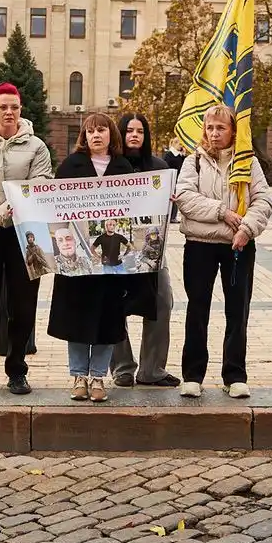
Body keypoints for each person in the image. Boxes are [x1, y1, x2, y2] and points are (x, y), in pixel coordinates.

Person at [175, 103, 272, 399]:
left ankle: (235, 375)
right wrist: (222, 212)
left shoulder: (248, 162)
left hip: (238, 246)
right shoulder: (193, 161)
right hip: (200, 246)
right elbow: (184, 198)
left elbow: (263, 201)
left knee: (237, 310)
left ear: (233, 130)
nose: (214, 133)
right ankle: (192, 375)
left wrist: (246, 229)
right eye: (210, 127)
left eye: (221, 127)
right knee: (197, 310)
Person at [0, 84, 54, 396]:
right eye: (3, 107)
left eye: (14, 107)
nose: (9, 112)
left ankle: (17, 370)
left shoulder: (37, 147)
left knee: (23, 304)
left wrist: (0, 215)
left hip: (26, 233)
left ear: (21, 110)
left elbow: (39, 187)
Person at [48, 113, 141, 403]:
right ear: (84, 136)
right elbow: (52, 204)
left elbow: (137, 207)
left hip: (110, 263)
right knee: (76, 316)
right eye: (90, 131)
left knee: (107, 317)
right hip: (76, 259)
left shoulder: (123, 167)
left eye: (101, 130)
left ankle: (99, 376)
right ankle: (78, 375)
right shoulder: (70, 166)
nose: (96, 135)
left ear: (111, 135)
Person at [111, 112, 180, 389]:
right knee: (114, 307)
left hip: (152, 253)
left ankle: (152, 369)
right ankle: (122, 368)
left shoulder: (159, 167)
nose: (134, 136)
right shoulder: (110, 167)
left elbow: (169, 207)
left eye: (140, 131)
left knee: (162, 301)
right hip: (116, 252)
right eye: (129, 131)